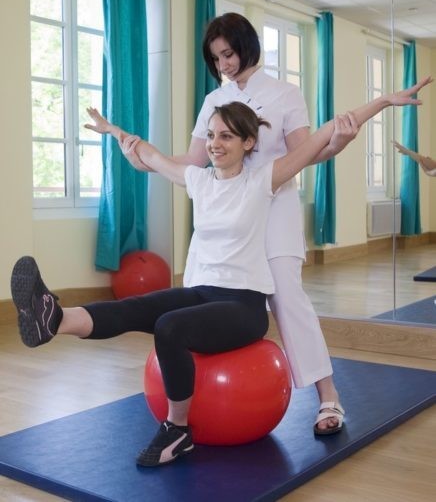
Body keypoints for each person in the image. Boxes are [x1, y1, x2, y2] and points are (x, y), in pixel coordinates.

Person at [10, 79, 429, 467]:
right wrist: (114, 130)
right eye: (210, 135)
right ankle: (55, 319)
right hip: (201, 292)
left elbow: (324, 134)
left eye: (226, 136)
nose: (214, 144)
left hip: (242, 305)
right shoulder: (198, 180)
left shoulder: (264, 179)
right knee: (136, 307)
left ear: (249, 142)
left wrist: (383, 101)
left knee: (169, 327)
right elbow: (150, 154)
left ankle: (177, 430)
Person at [115, 13, 372, 434]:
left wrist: (338, 142)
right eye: (216, 59)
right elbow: (192, 163)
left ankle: (328, 397)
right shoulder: (213, 102)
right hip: (223, 220)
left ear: (247, 46)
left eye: (228, 54)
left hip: (274, 211)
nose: (224, 65)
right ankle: (190, 404)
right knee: (199, 300)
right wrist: (143, 162)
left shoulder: (286, 93)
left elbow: (305, 153)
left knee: (288, 300)